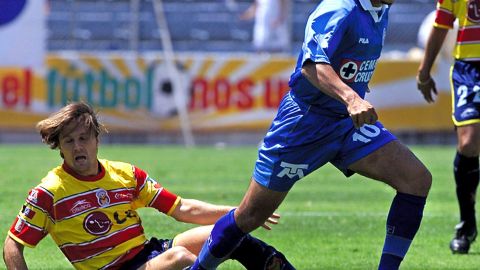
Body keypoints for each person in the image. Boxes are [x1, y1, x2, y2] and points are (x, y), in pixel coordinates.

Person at [192, 0, 432, 269]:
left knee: (416, 179)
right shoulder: (338, 8)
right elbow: (312, 65)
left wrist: (352, 97)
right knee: (250, 216)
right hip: (305, 122)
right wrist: (352, 97)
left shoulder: (380, 11)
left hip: (345, 123)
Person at [2, 102, 294, 270]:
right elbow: (13, 244)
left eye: (83, 138)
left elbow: (182, 208)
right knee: (180, 258)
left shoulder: (125, 174)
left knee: (232, 235)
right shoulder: (50, 192)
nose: (78, 146)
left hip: (148, 254)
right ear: (60, 148)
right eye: (69, 141)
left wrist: (240, 213)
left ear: (97, 140)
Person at [417, 0, 480, 254]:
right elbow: (442, 24)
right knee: (468, 142)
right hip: (469, 69)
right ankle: (467, 224)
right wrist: (424, 71)